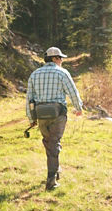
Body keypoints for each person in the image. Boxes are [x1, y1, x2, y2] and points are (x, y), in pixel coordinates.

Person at [26, 47, 83, 191]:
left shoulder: (34, 74)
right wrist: (78, 108)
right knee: (54, 143)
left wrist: (31, 118)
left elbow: (29, 99)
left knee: (49, 143)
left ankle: (55, 171)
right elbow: (73, 92)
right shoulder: (62, 73)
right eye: (60, 58)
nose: (62, 61)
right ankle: (51, 180)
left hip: (41, 114)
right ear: (54, 59)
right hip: (58, 113)